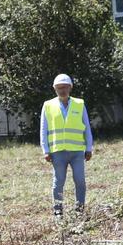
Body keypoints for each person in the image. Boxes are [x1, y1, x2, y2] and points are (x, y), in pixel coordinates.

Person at [40, 74, 94, 221]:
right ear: (54, 89)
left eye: (64, 87)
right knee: (58, 182)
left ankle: (80, 209)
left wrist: (89, 148)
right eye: (59, 88)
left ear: (70, 87)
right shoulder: (48, 105)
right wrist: (45, 150)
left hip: (77, 151)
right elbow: (43, 130)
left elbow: (87, 127)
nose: (62, 90)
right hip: (57, 152)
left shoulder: (79, 104)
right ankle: (58, 211)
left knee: (80, 181)